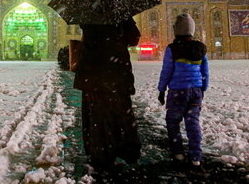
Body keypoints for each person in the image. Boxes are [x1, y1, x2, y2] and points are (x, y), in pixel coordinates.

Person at [74, 18, 142, 170]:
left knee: (97, 114)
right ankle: (123, 148)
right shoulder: (121, 15)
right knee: (119, 112)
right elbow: (133, 38)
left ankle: (101, 154)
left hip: (93, 73)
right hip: (115, 73)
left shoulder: (89, 16)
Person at [157, 13, 209, 173]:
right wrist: (203, 88)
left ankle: (178, 154)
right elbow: (205, 71)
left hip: (178, 91)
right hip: (196, 92)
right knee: (193, 123)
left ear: (176, 31)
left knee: (173, 122)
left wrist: (161, 89)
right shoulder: (200, 48)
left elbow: (167, 71)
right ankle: (195, 159)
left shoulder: (173, 48)